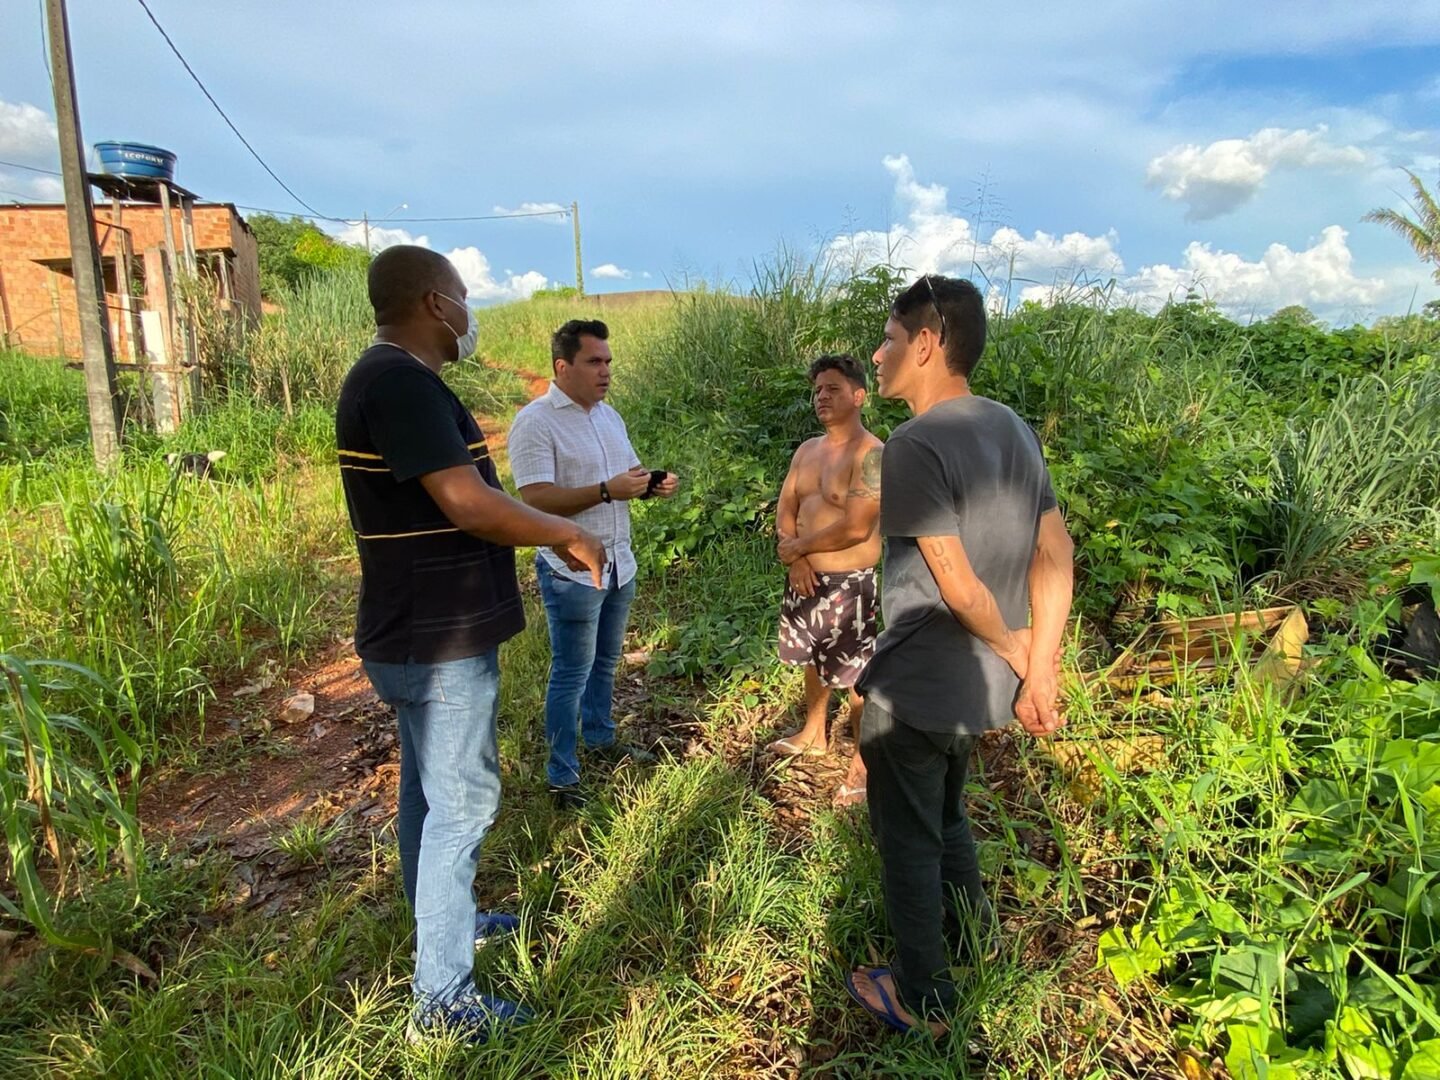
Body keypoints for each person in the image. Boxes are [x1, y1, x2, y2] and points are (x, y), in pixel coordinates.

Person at [336, 246, 606, 1043]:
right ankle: (442, 1000)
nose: (468, 309)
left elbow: (470, 497)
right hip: (437, 634)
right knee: (463, 806)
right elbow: (470, 503)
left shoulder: (392, 381)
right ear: (432, 302)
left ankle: (443, 923)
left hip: (417, 627)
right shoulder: (399, 382)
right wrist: (563, 532)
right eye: (460, 294)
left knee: (426, 793)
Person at [846, 275, 1074, 1037]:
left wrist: (1018, 651)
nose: (876, 356)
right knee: (946, 817)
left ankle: (924, 998)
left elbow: (955, 580)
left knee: (906, 841)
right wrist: (1037, 667)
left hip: (917, 684)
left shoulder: (914, 443)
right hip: (978, 691)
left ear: (926, 344)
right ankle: (978, 946)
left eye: (885, 339)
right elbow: (1055, 549)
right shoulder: (1012, 425)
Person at [507, 319, 678, 810]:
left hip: (619, 560)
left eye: (608, 362)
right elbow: (535, 499)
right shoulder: (535, 422)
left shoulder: (609, 416)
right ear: (563, 366)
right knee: (570, 673)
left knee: (605, 662)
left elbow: (626, 478)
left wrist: (650, 485)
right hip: (572, 571)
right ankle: (562, 776)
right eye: (594, 362)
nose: (605, 372)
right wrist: (607, 490)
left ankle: (601, 738)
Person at [771, 354, 883, 806]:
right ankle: (814, 732)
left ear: (859, 396)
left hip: (849, 582)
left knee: (857, 678)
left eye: (833, 388)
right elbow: (786, 508)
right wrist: (796, 558)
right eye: (817, 389)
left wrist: (800, 549)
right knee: (810, 662)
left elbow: (857, 526)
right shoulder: (806, 450)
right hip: (804, 578)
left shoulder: (872, 454)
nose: (822, 396)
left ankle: (865, 764)